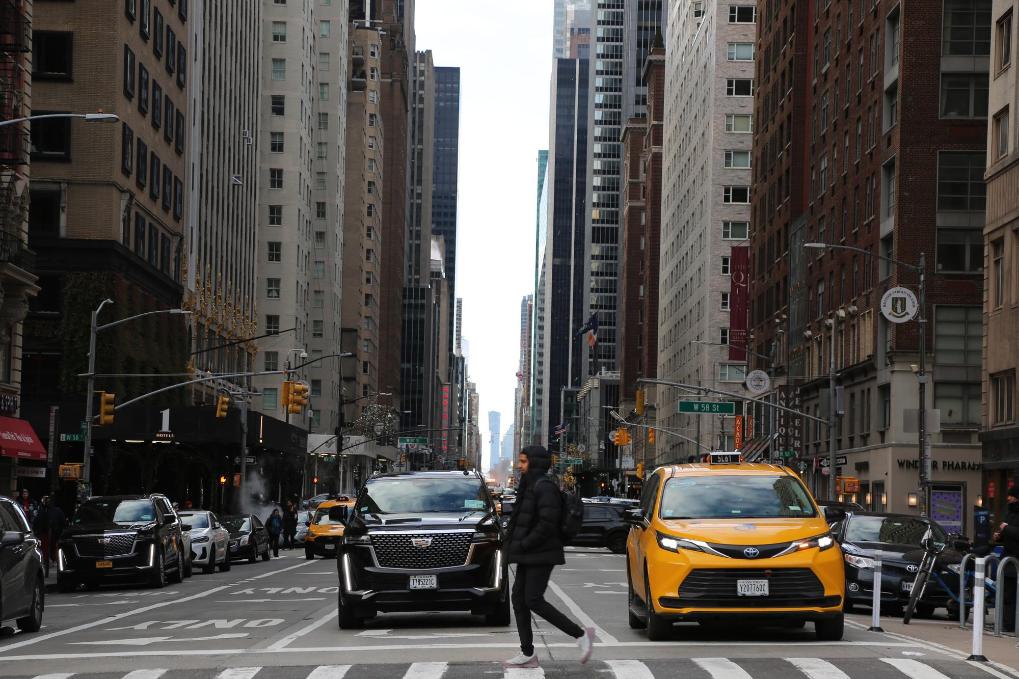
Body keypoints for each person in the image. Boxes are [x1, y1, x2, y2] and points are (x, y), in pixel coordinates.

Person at [503, 445, 594, 669]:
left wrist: (524, 543)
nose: (520, 466)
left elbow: (547, 523)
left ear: (535, 463)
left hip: (542, 553)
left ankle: (581, 635)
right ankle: (527, 653)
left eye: (523, 461)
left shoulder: (545, 487)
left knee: (533, 599)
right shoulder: (529, 485)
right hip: (528, 554)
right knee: (518, 599)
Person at [994, 488, 1019, 633]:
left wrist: (1007, 528)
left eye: (1011, 496)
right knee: (1007, 593)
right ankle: (1007, 623)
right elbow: (1007, 533)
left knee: (1012, 593)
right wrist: (999, 536)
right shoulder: (1010, 513)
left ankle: (1011, 624)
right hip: (1008, 558)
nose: (1008, 498)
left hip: (1015, 559)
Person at [32, 496, 51, 577]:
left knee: (43, 552)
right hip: (43, 533)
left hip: (42, 533)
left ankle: (43, 571)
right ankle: (44, 571)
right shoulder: (44, 510)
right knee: (44, 552)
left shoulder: (42, 510)